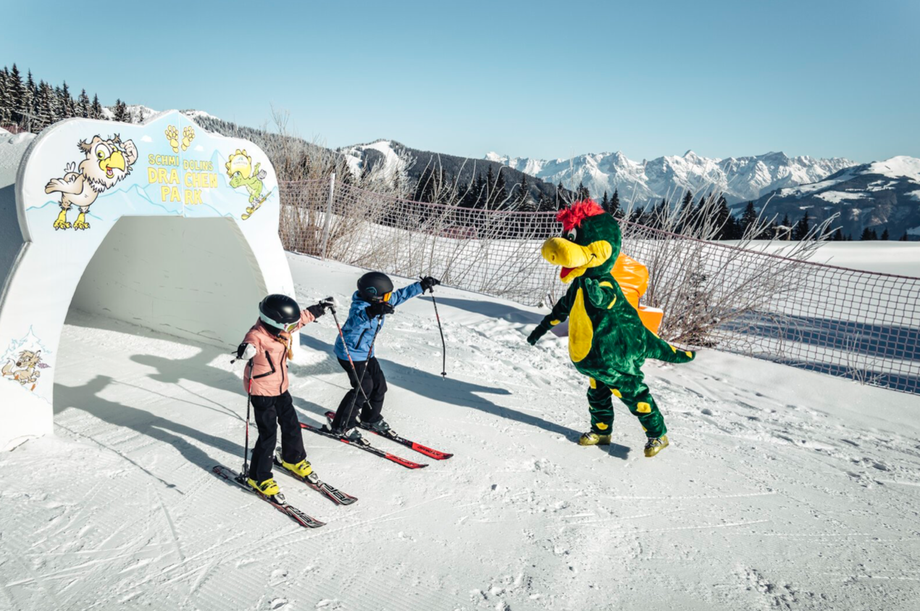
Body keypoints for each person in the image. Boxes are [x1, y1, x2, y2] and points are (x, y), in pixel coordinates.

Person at [526, 199, 695, 457]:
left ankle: (658, 434)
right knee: (597, 393)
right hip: (596, 358)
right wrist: (540, 330)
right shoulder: (581, 282)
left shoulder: (603, 283)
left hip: (616, 354)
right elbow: (562, 308)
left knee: (632, 394)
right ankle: (602, 430)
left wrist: (597, 295)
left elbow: (608, 300)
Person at [236, 293, 335, 498]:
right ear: (274, 322)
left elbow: (302, 319)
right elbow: (248, 344)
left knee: (291, 423)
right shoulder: (257, 335)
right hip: (262, 391)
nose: (292, 329)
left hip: (280, 388)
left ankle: (293, 458)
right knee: (268, 434)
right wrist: (245, 350)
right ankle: (258, 476)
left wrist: (320, 308)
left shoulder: (282, 329)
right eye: (289, 326)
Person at [326, 272, 440, 442]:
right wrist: (373, 311)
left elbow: (400, 295)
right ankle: (341, 426)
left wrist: (421, 285)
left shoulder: (381, 300)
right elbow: (356, 320)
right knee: (362, 388)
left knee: (379, 386)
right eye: (385, 296)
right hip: (350, 354)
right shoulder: (360, 307)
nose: (389, 299)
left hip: (367, 353)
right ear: (373, 295)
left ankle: (369, 419)